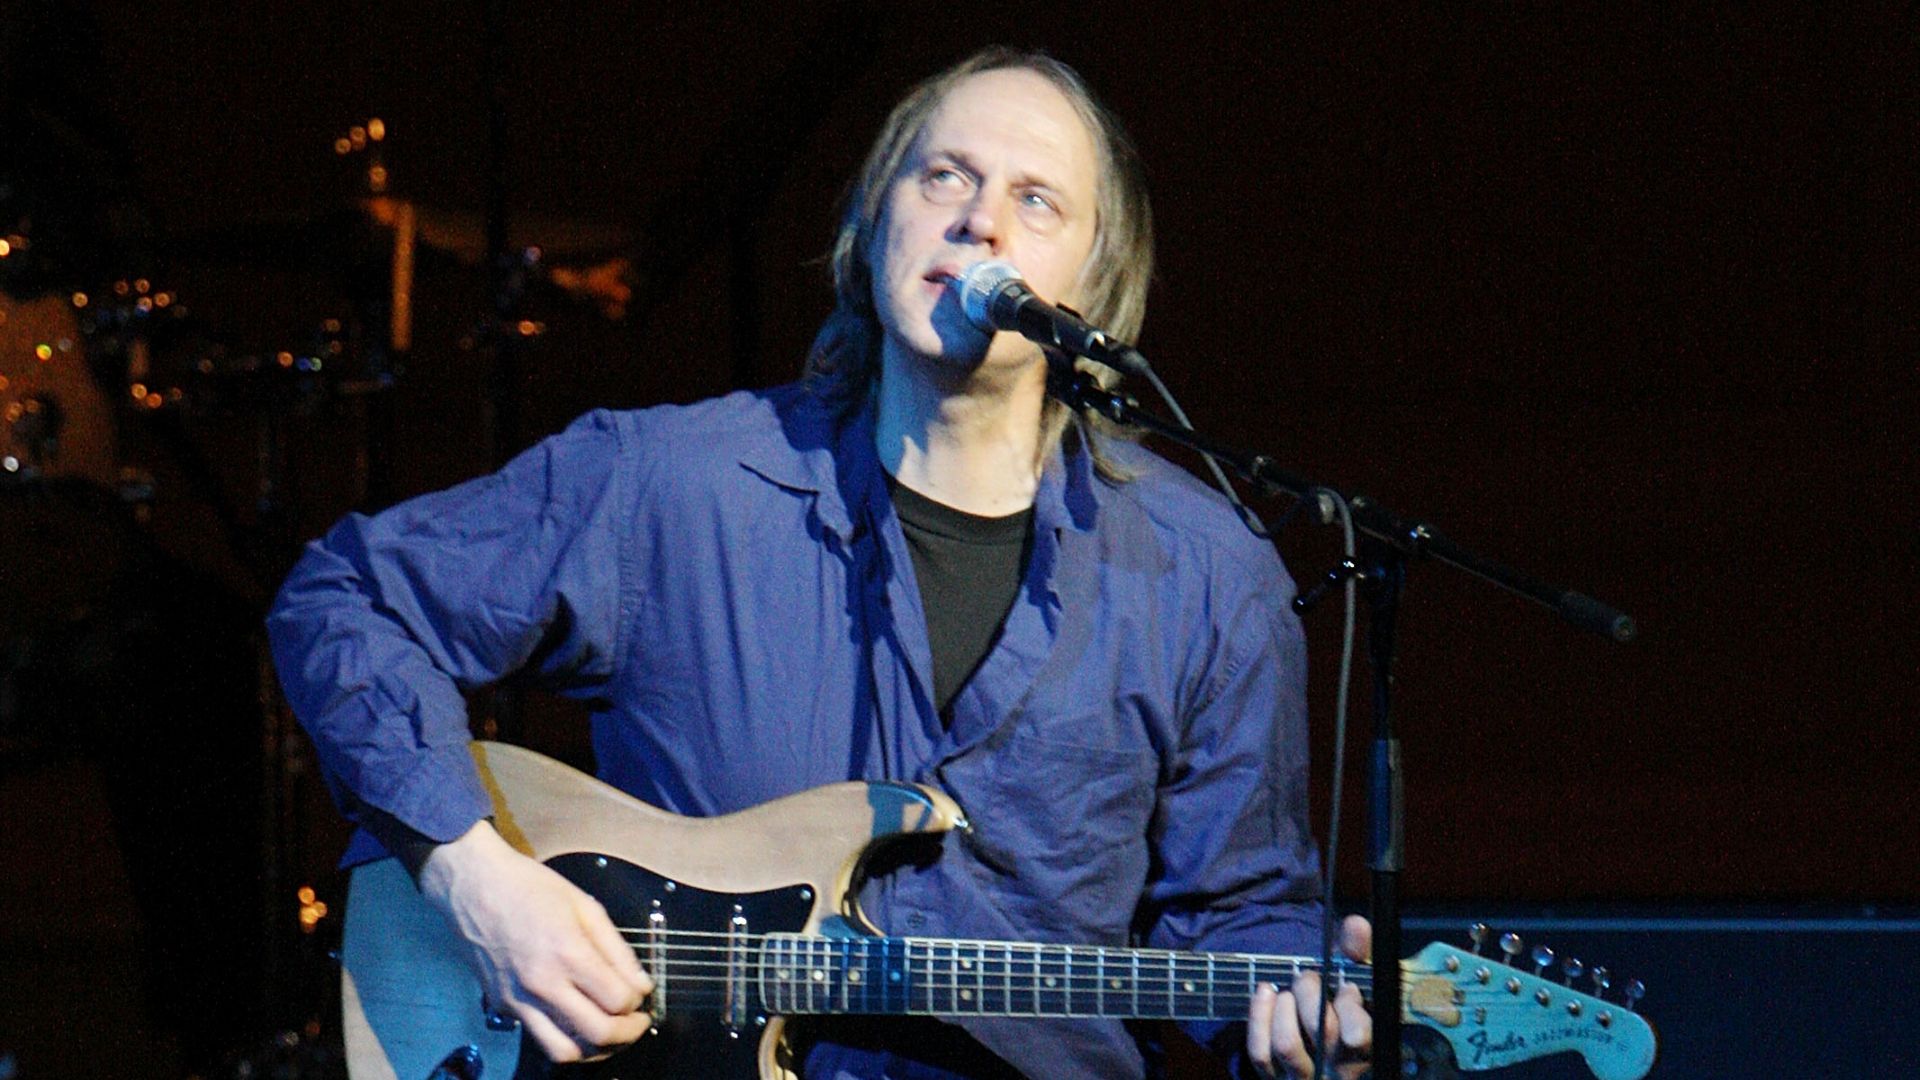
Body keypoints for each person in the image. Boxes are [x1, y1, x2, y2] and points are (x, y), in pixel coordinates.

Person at [268, 46, 1372, 1080]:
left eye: (1036, 200)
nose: (980, 220)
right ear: (876, 219)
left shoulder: (1210, 576)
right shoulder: (669, 486)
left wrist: (1307, 1012)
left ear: (1096, 281)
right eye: (945, 176)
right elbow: (346, 600)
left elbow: (1242, 912)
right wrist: (475, 880)